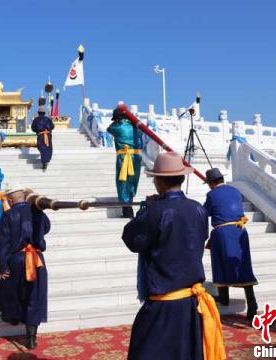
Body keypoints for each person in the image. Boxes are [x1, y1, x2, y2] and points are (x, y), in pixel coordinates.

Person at [122, 152, 225, 360]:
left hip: (164, 303)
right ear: (182, 177)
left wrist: (146, 210)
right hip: (190, 303)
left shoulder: (156, 211)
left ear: (158, 181)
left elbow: (132, 239)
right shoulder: (198, 209)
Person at [0, 186, 50, 350]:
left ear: (10, 200)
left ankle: (11, 317)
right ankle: (31, 338)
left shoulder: (9, 215)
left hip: (17, 259)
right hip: (37, 260)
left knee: (13, 291)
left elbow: (2, 244)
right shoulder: (37, 212)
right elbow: (47, 228)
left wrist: (3, 267)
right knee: (34, 297)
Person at [204, 168, 258, 322]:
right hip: (240, 230)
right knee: (243, 266)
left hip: (223, 232)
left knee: (220, 264)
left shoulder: (212, 194)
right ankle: (252, 304)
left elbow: (205, 212)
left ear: (213, 183)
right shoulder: (235, 191)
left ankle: (224, 298)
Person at [107, 107, 142, 218]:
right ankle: (130, 201)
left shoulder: (118, 127)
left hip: (124, 156)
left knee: (123, 181)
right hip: (136, 157)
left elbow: (109, 129)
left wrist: (117, 121)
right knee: (133, 181)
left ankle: (126, 207)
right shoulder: (136, 127)